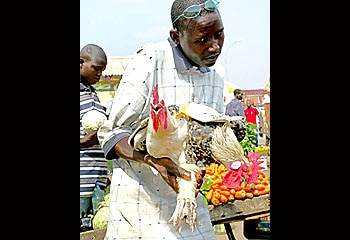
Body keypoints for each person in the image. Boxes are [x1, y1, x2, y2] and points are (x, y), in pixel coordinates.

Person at [97, 0, 225, 238]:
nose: (214, 47)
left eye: (219, 34)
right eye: (201, 40)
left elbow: (206, 140)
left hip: (187, 204)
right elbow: (112, 133)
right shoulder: (150, 60)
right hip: (141, 206)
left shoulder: (215, 76)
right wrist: (153, 161)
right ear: (176, 37)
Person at [80, 44, 109, 231]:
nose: (99, 74)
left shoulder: (94, 94)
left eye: (102, 70)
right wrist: (83, 142)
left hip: (98, 179)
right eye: (96, 69)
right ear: (81, 63)